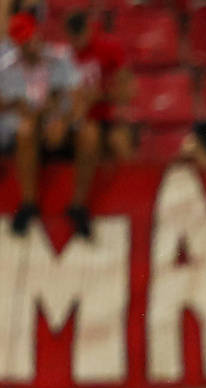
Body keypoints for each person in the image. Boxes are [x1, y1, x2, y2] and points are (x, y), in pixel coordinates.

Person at [0, 11, 97, 237]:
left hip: (62, 122)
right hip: (28, 128)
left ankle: (78, 206)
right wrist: (16, 106)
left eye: (32, 37)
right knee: (25, 130)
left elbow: (78, 98)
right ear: (17, 44)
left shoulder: (61, 57)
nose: (31, 44)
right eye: (24, 41)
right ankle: (28, 203)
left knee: (90, 134)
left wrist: (64, 121)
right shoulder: (6, 67)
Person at [64, 9, 133, 161]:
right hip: (77, 119)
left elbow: (127, 91)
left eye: (80, 35)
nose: (78, 41)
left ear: (88, 29)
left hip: (106, 115)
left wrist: (100, 95)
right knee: (88, 135)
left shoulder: (109, 48)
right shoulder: (65, 56)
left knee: (119, 142)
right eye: (74, 37)